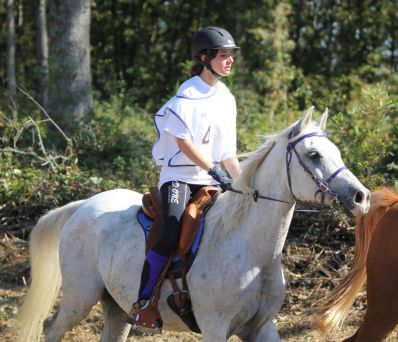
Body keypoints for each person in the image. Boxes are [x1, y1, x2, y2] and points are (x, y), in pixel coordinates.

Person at [130, 26, 241, 332]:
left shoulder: (227, 99)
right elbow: (184, 143)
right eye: (223, 55)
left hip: (211, 178)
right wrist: (215, 170)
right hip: (178, 177)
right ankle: (143, 302)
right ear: (204, 58)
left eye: (231, 56)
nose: (230, 61)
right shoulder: (187, 95)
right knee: (170, 231)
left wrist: (243, 183)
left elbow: (228, 153)